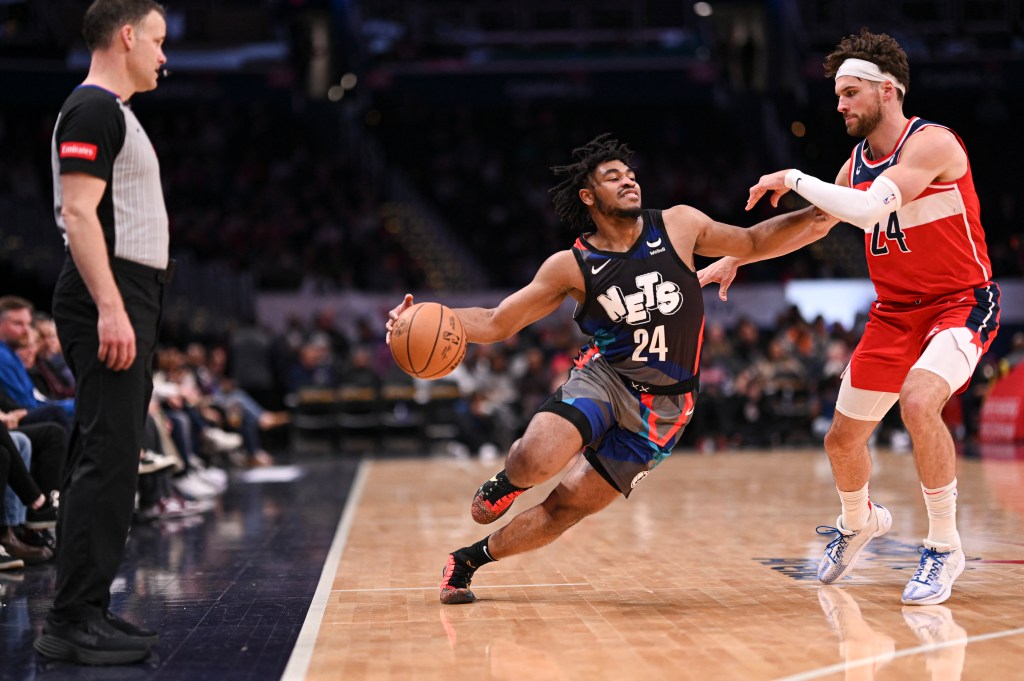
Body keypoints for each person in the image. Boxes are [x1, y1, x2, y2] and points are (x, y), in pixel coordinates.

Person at [385, 133, 834, 604]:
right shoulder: (572, 265)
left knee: (568, 508)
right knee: (535, 460)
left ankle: (469, 560)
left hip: (665, 407)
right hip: (607, 377)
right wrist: (427, 319)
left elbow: (751, 241)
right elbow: (499, 322)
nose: (629, 181)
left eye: (631, 174)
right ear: (588, 196)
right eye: (613, 177)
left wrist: (816, 214)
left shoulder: (680, 225)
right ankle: (509, 481)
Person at [698, 29, 1001, 606]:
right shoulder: (854, 164)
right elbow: (810, 224)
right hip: (894, 314)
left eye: (850, 93)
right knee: (842, 441)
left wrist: (791, 178)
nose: (839, 105)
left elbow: (867, 210)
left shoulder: (932, 144)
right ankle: (858, 520)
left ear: (888, 91)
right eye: (838, 94)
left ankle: (943, 545)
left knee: (918, 401)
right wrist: (737, 255)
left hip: (960, 301)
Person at [34, 0, 170, 665]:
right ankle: (70, 617)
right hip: (108, 293)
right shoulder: (91, 109)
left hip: (125, 291)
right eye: (157, 40)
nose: (163, 55)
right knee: (105, 452)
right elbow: (78, 214)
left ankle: (88, 606)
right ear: (126, 36)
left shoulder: (113, 113)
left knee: (115, 455)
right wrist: (112, 307)